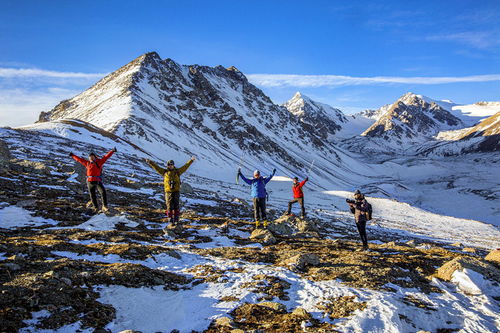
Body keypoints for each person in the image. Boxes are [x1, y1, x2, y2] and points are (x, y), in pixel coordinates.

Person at [145, 156, 195, 225]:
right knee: (169, 206)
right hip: (168, 192)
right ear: (167, 165)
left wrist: (191, 160)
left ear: (173, 165)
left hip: (176, 191)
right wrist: (150, 162)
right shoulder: (164, 172)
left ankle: (176, 218)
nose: (170, 166)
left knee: (176, 205)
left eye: (171, 164)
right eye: (169, 165)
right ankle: (170, 219)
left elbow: (185, 166)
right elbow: (156, 167)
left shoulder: (178, 171)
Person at [69, 148, 116, 213]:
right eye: (90, 157)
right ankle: (96, 207)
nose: (91, 158)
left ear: (95, 157)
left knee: (103, 192)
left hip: (97, 181)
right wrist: (72, 155)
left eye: (92, 157)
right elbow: (79, 160)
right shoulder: (87, 163)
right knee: (92, 195)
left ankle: (105, 206)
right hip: (89, 181)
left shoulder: (99, 162)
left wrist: (112, 151)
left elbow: (106, 157)